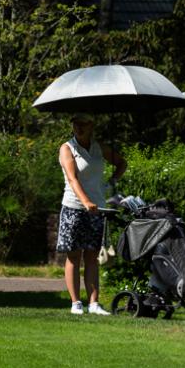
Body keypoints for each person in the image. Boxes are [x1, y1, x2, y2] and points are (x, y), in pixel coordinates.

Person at [57, 113, 126, 315]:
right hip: (74, 207)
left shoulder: (99, 148)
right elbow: (72, 178)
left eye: (84, 124)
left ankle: (94, 304)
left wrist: (110, 183)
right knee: (74, 256)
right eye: (76, 124)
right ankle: (76, 303)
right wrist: (86, 201)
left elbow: (122, 163)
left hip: (97, 209)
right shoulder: (67, 148)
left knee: (92, 256)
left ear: (91, 126)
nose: (79, 127)